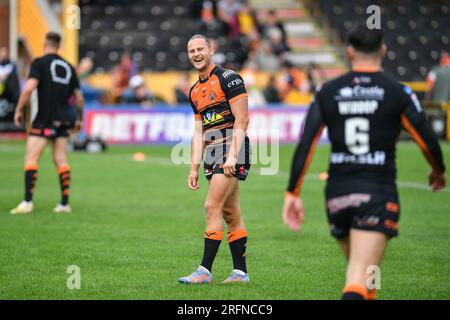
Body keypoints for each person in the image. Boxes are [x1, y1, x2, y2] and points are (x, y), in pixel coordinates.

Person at [283, 24, 447, 300]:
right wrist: (438, 171)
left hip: (337, 196)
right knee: (359, 279)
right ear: (383, 50)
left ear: (349, 52)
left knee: (368, 281)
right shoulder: (397, 92)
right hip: (376, 194)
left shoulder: (327, 91)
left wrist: (292, 192)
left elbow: (306, 143)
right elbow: (427, 139)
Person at [179, 34, 251, 284]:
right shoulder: (195, 90)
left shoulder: (229, 78)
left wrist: (232, 155)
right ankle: (240, 273)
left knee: (211, 206)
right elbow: (199, 132)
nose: (196, 54)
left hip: (232, 149)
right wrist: (193, 168)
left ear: (211, 50)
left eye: (200, 49)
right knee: (230, 213)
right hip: (212, 154)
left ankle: (204, 271)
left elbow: (242, 119)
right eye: (191, 51)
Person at [10, 32, 84, 214]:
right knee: (61, 160)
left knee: (31, 158)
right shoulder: (69, 67)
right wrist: (79, 119)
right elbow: (79, 98)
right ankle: (64, 204)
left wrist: (19, 109)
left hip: (44, 118)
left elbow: (28, 88)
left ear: (45, 43)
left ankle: (27, 202)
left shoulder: (39, 63)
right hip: (65, 119)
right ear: (58, 46)